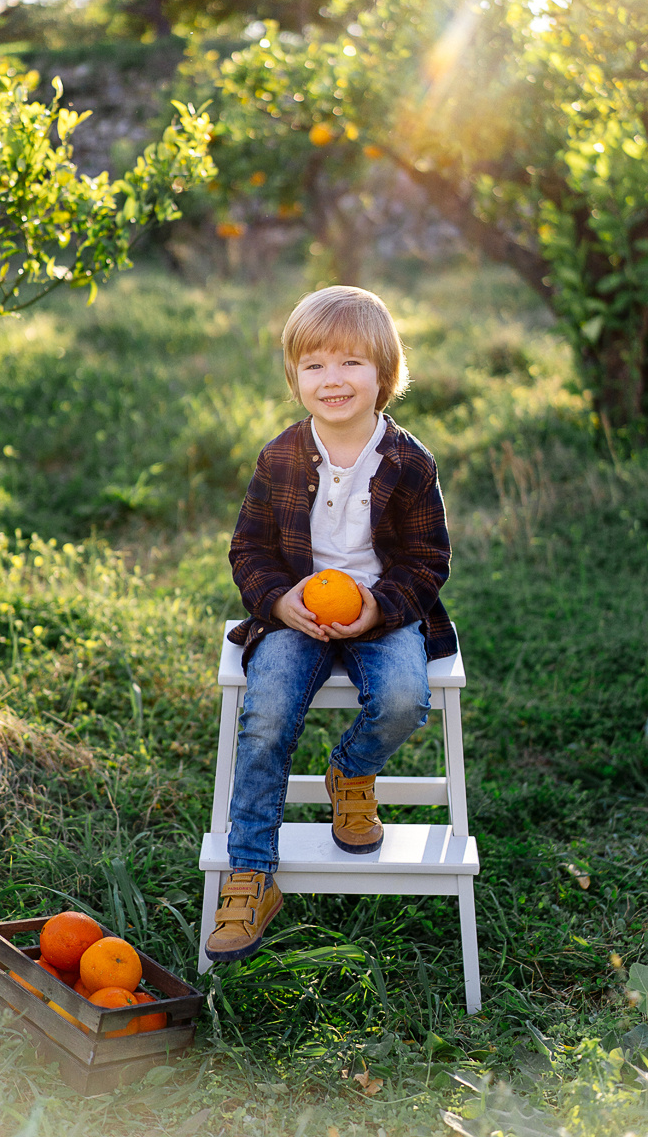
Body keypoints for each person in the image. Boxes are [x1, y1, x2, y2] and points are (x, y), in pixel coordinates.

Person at [204, 285, 457, 963]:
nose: (332, 379)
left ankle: (350, 771)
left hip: (382, 613)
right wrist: (278, 602)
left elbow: (427, 558)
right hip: (298, 613)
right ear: (295, 379)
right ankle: (252, 870)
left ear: (384, 374)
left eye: (350, 363)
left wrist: (382, 607)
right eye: (313, 365)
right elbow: (249, 549)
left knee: (404, 699)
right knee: (267, 715)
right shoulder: (280, 457)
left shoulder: (409, 463)